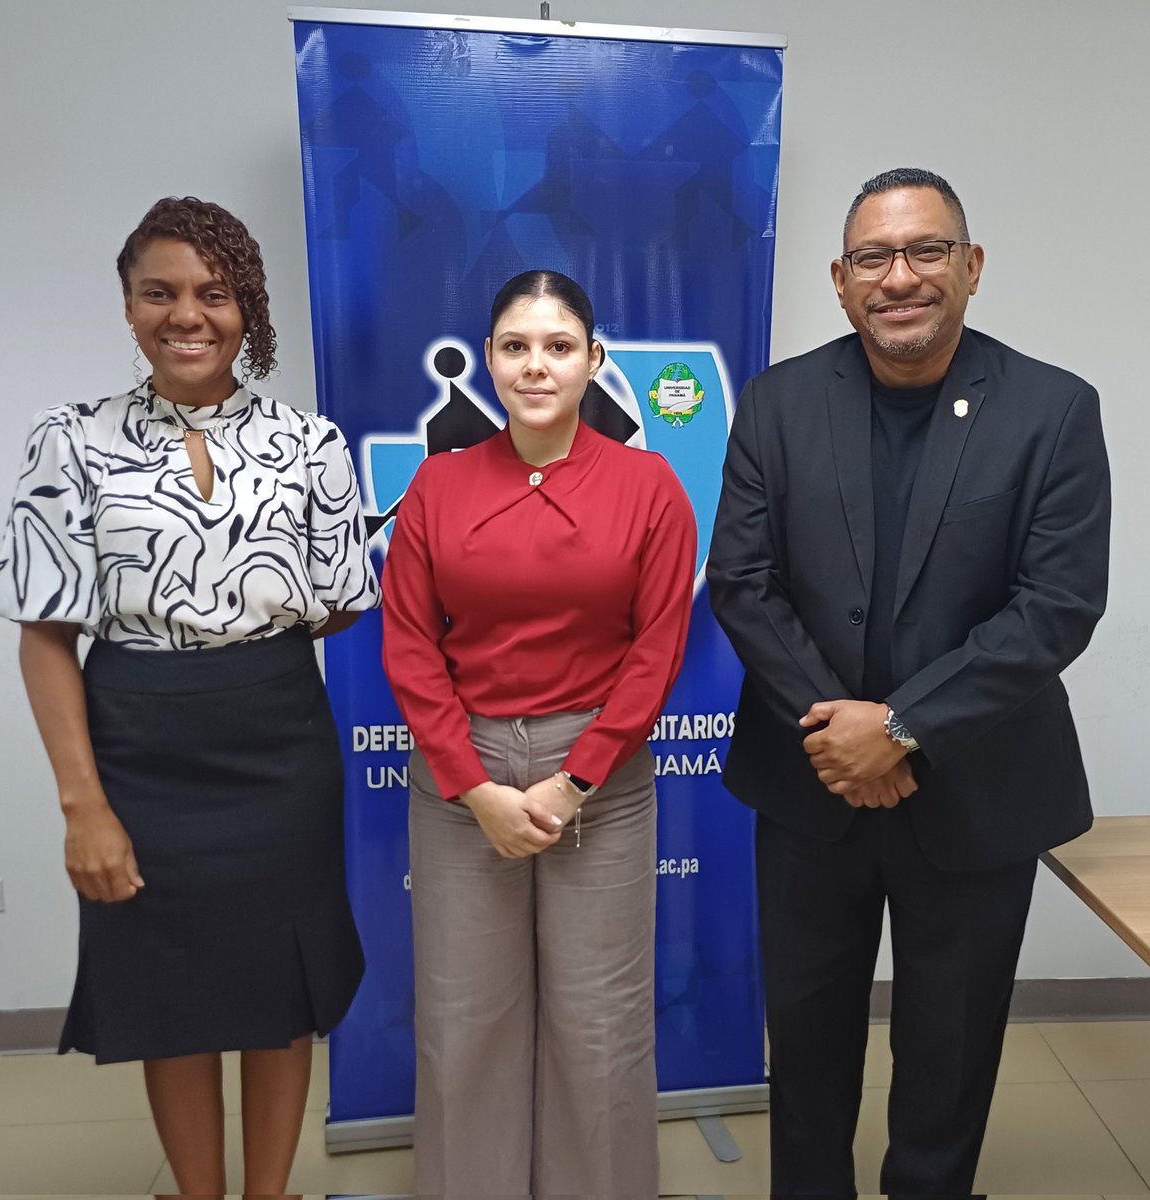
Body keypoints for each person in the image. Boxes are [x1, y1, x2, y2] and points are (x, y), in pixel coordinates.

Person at [708, 168, 1110, 1197]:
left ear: (968, 268)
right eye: (872, 259)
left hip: (976, 790)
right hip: (809, 789)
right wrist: (843, 741)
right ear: (839, 282)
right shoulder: (777, 402)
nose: (899, 277)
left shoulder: (1053, 410)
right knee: (804, 1055)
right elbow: (743, 586)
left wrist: (902, 724)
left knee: (948, 1060)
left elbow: (1054, 605)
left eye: (924, 251)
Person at [0, 197, 379, 1197]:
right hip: (137, 745)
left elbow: (338, 603)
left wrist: (238, 630)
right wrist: (83, 806)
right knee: (171, 987)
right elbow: (44, 630)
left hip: (280, 743)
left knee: (282, 985)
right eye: (158, 292)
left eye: (213, 293)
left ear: (246, 307)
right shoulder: (67, 441)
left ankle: (266, 1191)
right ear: (126, 308)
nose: (186, 314)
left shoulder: (309, 442)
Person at [381, 269, 697, 1197]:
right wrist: (470, 785)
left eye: (558, 347)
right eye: (515, 347)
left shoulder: (648, 486)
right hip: (460, 777)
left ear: (593, 361)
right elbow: (406, 644)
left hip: (596, 775)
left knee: (597, 1023)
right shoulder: (437, 487)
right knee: (463, 1017)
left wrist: (574, 781)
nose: (535, 365)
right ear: (488, 361)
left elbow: (657, 650)